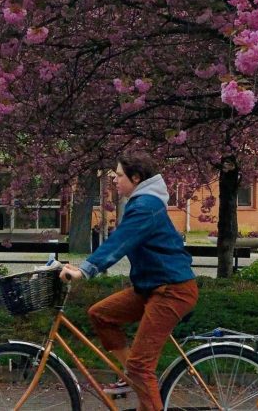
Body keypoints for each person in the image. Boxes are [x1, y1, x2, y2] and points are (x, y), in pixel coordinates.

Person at [61, 152, 197, 411]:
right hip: (152, 287)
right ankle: (130, 376)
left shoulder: (145, 206)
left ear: (136, 178)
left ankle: (134, 374)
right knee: (101, 315)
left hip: (172, 291)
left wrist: (86, 270)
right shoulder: (144, 202)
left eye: (119, 175)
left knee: (141, 367)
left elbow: (120, 241)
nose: (115, 180)